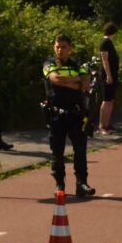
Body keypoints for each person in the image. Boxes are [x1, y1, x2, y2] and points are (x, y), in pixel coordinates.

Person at [43, 34, 96, 197]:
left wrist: (73, 82)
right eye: (57, 47)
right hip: (57, 113)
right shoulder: (49, 63)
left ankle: (82, 183)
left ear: (70, 48)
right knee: (57, 151)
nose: (60, 50)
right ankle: (60, 184)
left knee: (80, 150)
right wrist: (76, 82)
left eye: (63, 47)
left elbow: (87, 85)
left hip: (76, 113)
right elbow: (55, 79)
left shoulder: (77, 63)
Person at [97, 22, 121, 134]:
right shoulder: (105, 43)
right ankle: (101, 125)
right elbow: (105, 60)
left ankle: (107, 124)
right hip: (108, 75)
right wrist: (109, 75)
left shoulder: (109, 42)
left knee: (111, 100)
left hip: (113, 74)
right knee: (106, 100)